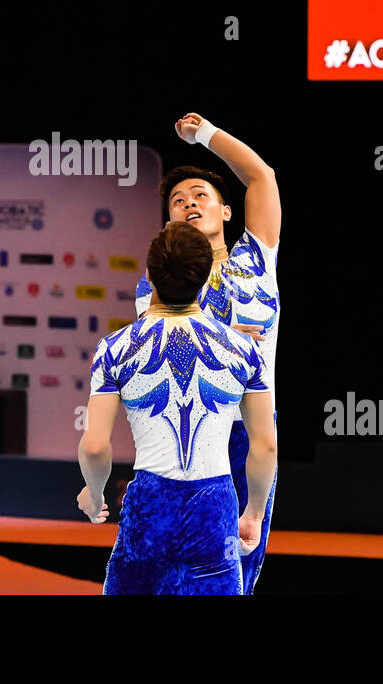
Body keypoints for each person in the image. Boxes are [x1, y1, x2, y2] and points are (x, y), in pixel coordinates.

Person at [78, 222, 276, 594]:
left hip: (150, 509)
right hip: (214, 510)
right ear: (205, 279)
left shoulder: (115, 348)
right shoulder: (244, 350)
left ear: (148, 275)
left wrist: (94, 494)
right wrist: (253, 513)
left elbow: (94, 447)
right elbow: (265, 446)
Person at [134, 113, 281, 593]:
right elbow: (161, 346)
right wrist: (226, 337)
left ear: (226, 212)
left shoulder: (256, 257)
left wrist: (205, 136)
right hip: (197, 435)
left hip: (254, 433)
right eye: (178, 201)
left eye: (200, 196)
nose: (188, 203)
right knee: (183, 572)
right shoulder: (155, 283)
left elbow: (261, 177)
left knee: (243, 566)